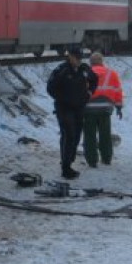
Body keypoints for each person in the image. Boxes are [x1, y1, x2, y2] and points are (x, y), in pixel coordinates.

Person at [47, 49, 98, 179]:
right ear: (70, 57)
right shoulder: (62, 70)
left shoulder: (83, 69)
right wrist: (62, 98)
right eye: (76, 58)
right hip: (64, 108)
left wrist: (89, 93)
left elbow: (94, 79)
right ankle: (66, 167)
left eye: (80, 58)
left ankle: (69, 159)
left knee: (76, 135)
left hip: (79, 107)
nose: (78, 61)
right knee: (68, 134)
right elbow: (51, 88)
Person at [83, 52, 123, 168]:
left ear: (91, 62)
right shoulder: (112, 74)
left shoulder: (86, 74)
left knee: (89, 135)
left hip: (89, 109)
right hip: (105, 109)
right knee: (105, 134)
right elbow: (118, 91)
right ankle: (106, 158)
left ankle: (92, 160)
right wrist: (119, 107)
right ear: (102, 62)